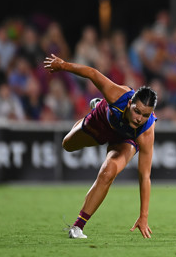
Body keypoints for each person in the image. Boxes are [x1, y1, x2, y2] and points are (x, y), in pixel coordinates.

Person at [43, 53, 157, 239]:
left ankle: (77, 227)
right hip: (102, 122)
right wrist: (63, 66)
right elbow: (92, 73)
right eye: (137, 111)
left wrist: (143, 217)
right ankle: (97, 106)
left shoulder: (146, 131)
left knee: (108, 172)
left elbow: (145, 176)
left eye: (145, 115)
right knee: (67, 145)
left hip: (124, 140)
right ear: (129, 104)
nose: (139, 118)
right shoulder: (117, 94)